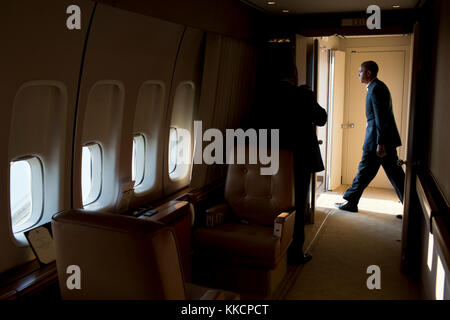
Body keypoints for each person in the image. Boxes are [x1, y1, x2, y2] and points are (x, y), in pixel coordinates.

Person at [256, 60, 327, 265]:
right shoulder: (303, 94)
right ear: (294, 75)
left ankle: (274, 244)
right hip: (300, 157)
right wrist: (310, 94)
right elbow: (321, 118)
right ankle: (295, 251)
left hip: (272, 157)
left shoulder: (264, 94)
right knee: (298, 203)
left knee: (275, 201)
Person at [335, 60, 405, 215]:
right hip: (383, 140)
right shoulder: (377, 87)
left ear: (368, 73)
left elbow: (381, 118)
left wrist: (380, 143)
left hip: (378, 141)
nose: (358, 74)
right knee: (395, 175)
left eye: (360, 71)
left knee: (365, 170)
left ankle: (351, 201)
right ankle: (413, 209)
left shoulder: (375, 89)